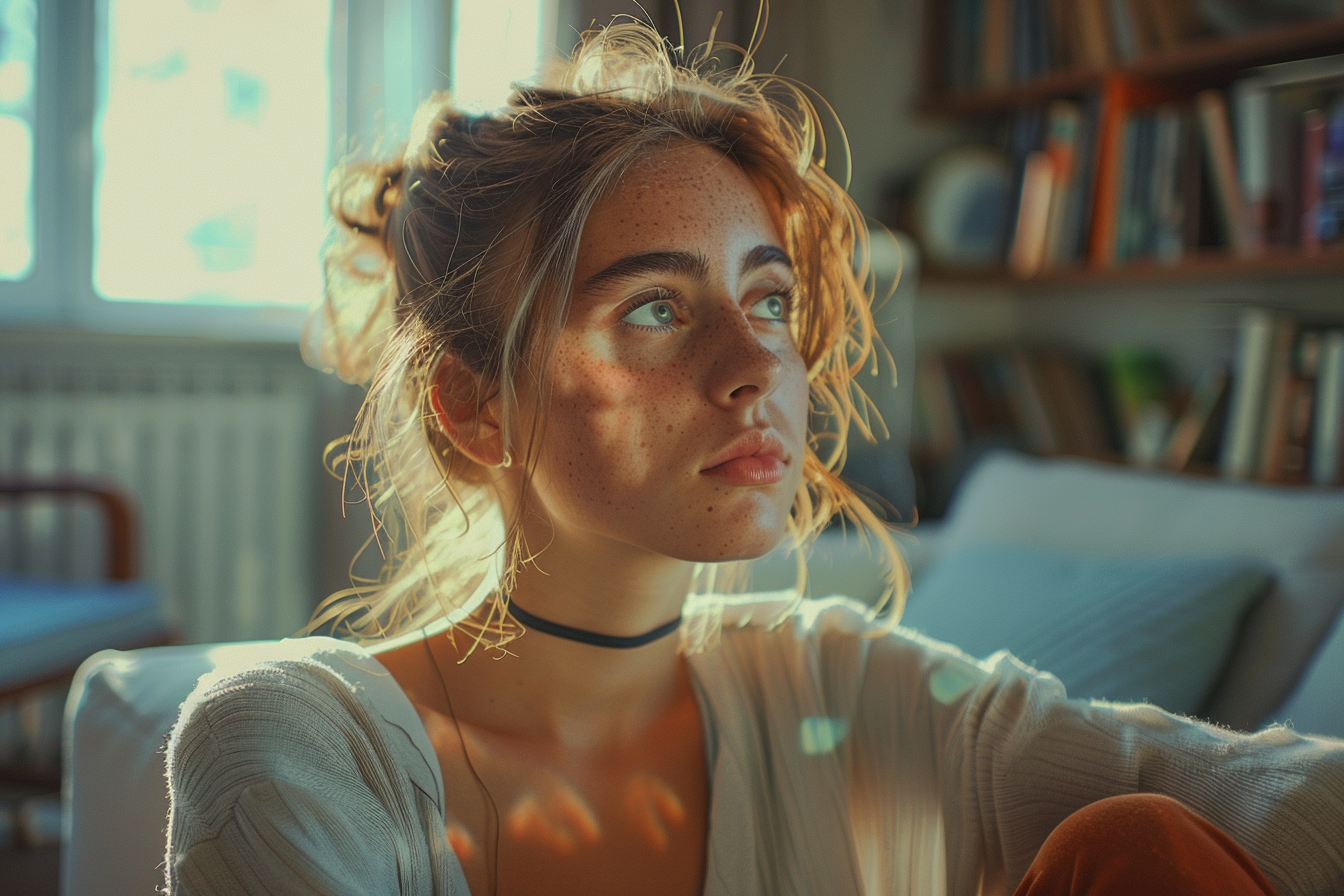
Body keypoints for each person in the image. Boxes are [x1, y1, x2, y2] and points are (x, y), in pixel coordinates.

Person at [164, 17, 1344, 896]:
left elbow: (1272, 798)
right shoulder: (298, 744)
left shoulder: (843, 686)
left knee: (1130, 843)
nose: (755, 366)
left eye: (767, 300)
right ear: (476, 407)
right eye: (655, 310)